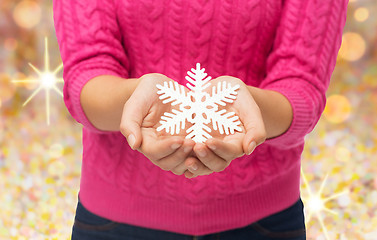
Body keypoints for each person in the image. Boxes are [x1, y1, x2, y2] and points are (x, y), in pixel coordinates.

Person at [53, 0, 348, 239]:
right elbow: (85, 77)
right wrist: (134, 100)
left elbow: (302, 87)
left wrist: (248, 107)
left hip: (263, 222)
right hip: (113, 222)